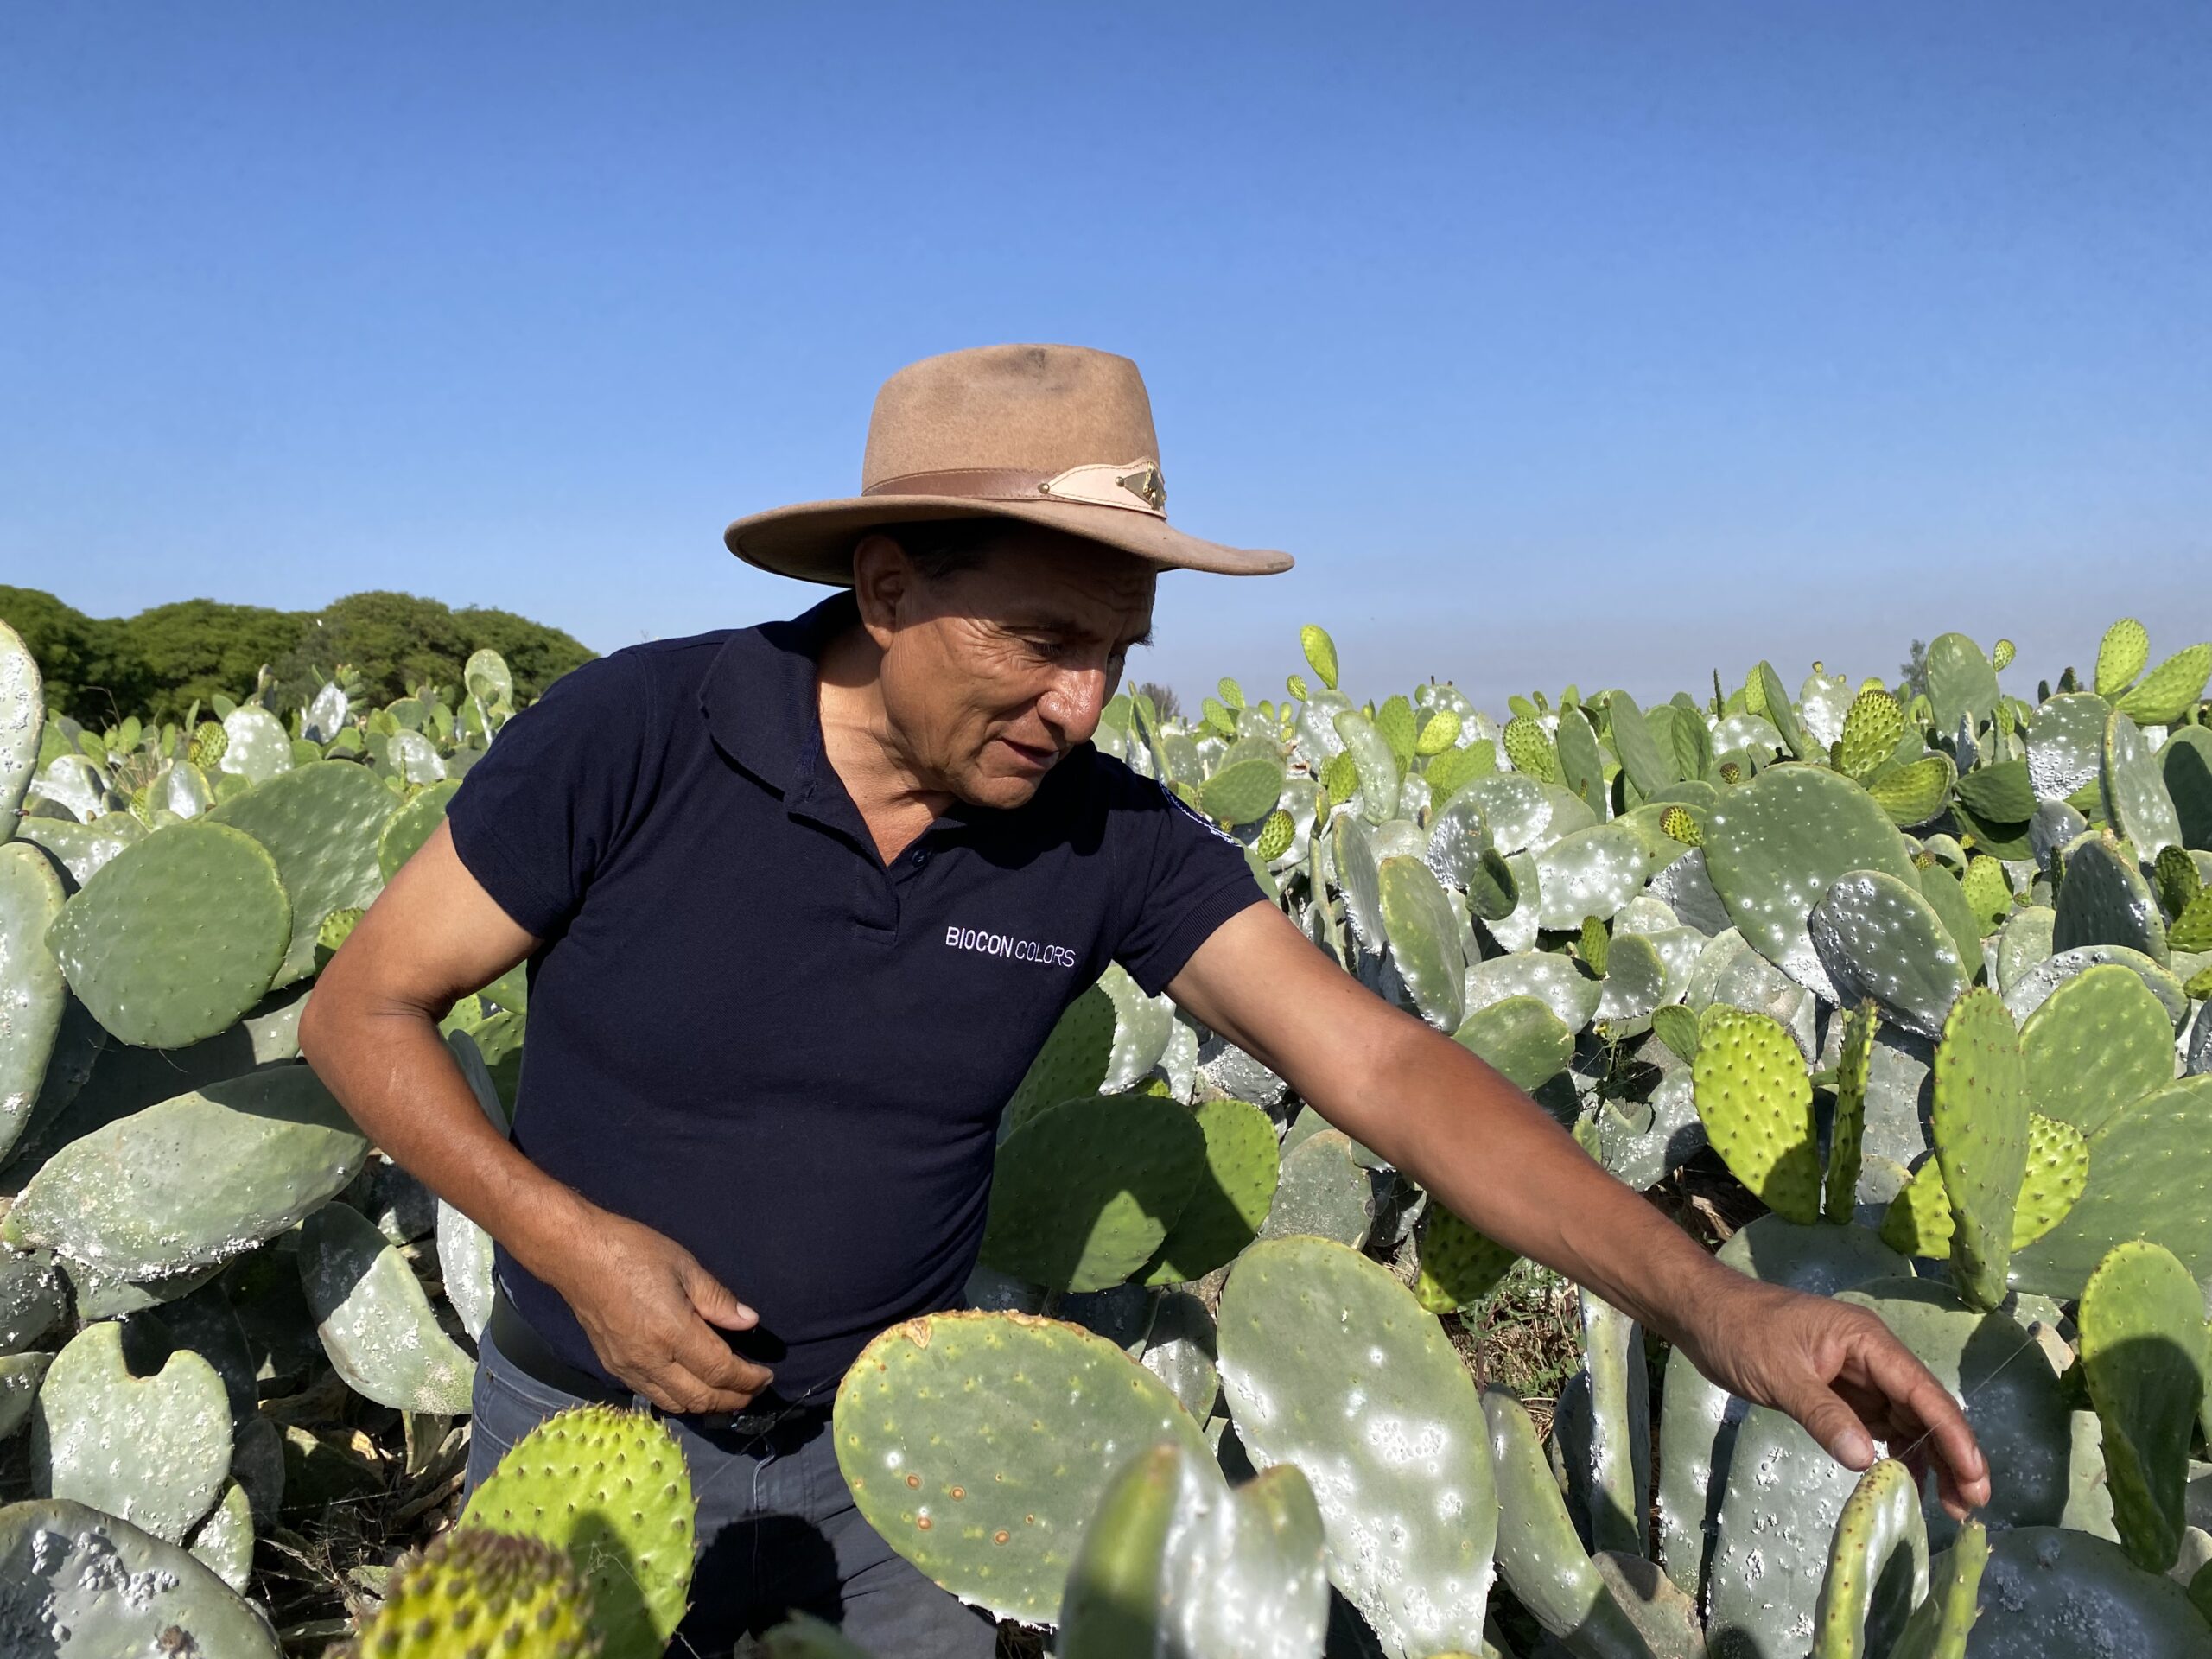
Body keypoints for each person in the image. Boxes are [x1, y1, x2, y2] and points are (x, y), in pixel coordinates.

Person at [300, 343, 1988, 1656]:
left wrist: (1711, 1306)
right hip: (576, 1426)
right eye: (1039, 637)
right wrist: (572, 1243)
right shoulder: (636, 738)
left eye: (1117, 648)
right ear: (885, 590)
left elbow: (1383, 1069)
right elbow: (362, 1012)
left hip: (902, 1474)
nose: (1077, 698)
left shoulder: (1105, 838)